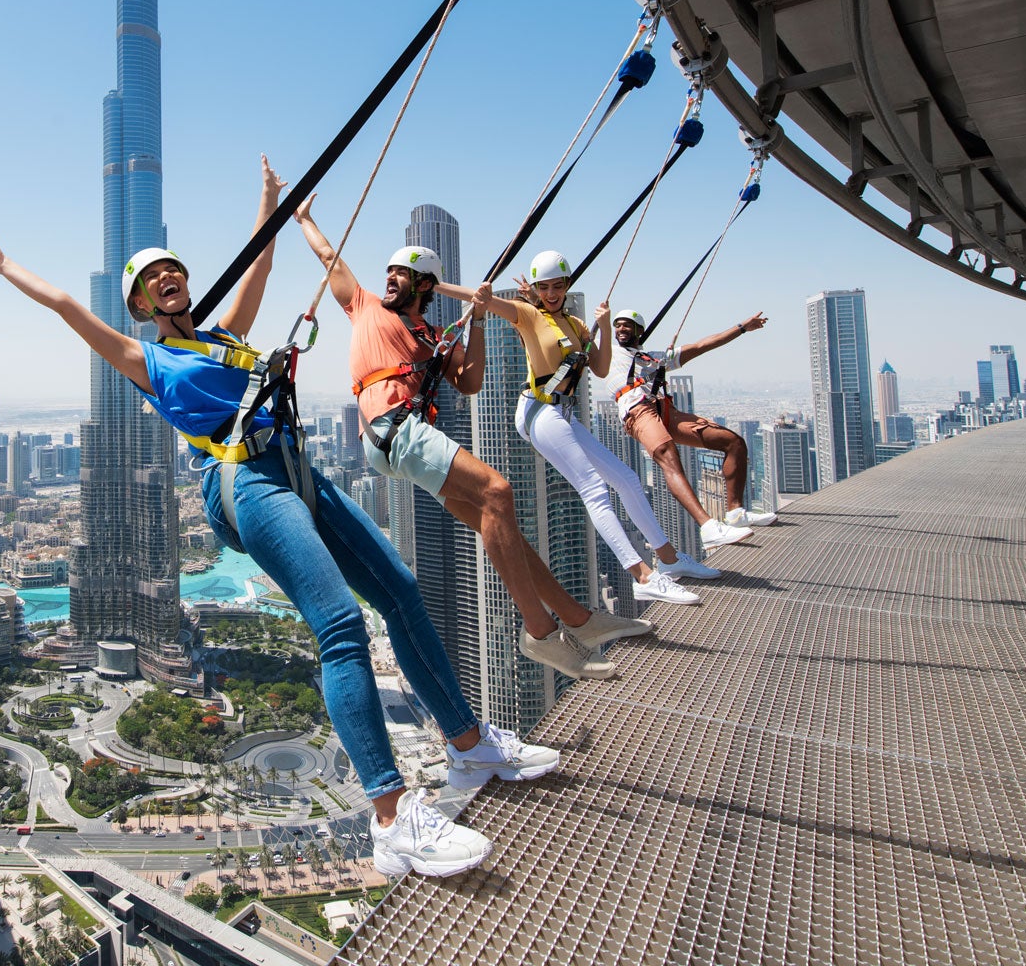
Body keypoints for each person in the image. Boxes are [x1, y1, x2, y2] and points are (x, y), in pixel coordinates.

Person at [0, 158, 554, 881]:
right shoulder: (146, 357)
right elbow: (64, 305)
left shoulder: (221, 335)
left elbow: (260, 269)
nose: (167, 278)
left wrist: (271, 201)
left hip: (295, 466)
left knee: (398, 589)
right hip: (241, 478)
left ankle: (468, 747)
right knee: (338, 622)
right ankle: (392, 820)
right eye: (152, 280)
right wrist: (5, 265)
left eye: (173, 269)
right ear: (142, 306)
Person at [292, 197, 652, 682]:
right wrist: (306, 219)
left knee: (499, 525)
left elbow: (470, 381)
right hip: (394, 430)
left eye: (400, 274)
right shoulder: (366, 307)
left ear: (424, 285)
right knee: (498, 492)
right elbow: (329, 260)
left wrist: (477, 319)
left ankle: (579, 620)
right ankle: (541, 632)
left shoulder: (434, 335)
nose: (389, 279)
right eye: (389, 273)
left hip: (402, 439)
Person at [431, 250, 722, 606]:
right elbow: (485, 300)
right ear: (536, 290)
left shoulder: (577, 325)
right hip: (539, 411)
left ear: (567, 285)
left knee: (627, 479)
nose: (552, 293)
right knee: (594, 489)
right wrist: (434, 284)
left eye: (558, 285)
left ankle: (671, 560)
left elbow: (599, 369)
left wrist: (603, 324)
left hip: (563, 414)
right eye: (545, 287)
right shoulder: (528, 314)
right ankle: (642, 576)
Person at [606, 306, 778, 544]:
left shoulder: (656, 358)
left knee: (734, 442)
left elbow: (701, 346)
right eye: (617, 325)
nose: (620, 328)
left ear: (639, 331)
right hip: (638, 412)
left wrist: (742, 329)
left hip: (666, 411)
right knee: (668, 453)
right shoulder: (609, 354)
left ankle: (735, 513)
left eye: (626, 324)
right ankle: (708, 528)